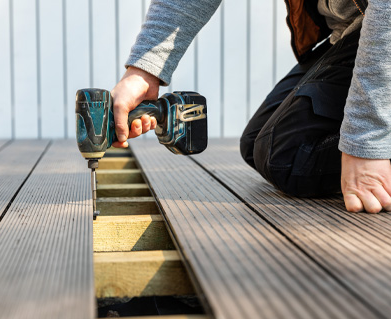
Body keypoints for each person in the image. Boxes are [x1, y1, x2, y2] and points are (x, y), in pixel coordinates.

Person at [110, 0, 391, 214]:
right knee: (257, 144)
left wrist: (366, 141)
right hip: (353, 33)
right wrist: (143, 72)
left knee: (289, 156)